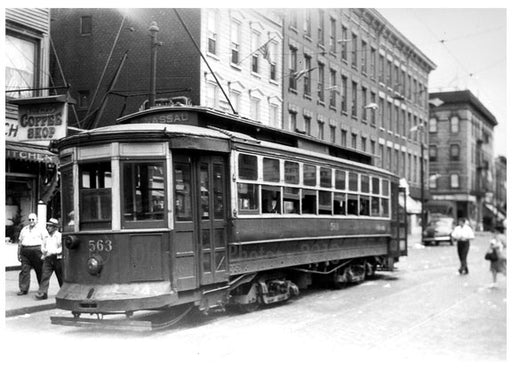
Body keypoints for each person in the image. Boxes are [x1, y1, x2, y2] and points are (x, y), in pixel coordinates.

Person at [17, 213, 49, 295]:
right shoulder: (24, 229)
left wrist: (44, 253)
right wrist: (18, 253)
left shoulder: (41, 229)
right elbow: (20, 242)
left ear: (36, 220)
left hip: (37, 251)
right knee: (25, 271)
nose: (31, 221)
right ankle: (23, 289)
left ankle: (42, 289)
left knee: (40, 270)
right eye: (30, 219)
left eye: (33, 219)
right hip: (25, 251)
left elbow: (46, 241)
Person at [35, 218, 63, 300]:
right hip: (47, 258)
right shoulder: (46, 236)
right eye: (48, 226)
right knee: (45, 275)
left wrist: (53, 252)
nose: (48, 228)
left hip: (58, 259)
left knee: (60, 276)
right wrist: (44, 250)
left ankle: (64, 292)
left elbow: (62, 248)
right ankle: (42, 293)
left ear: (55, 227)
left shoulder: (59, 236)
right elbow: (43, 246)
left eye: (50, 226)